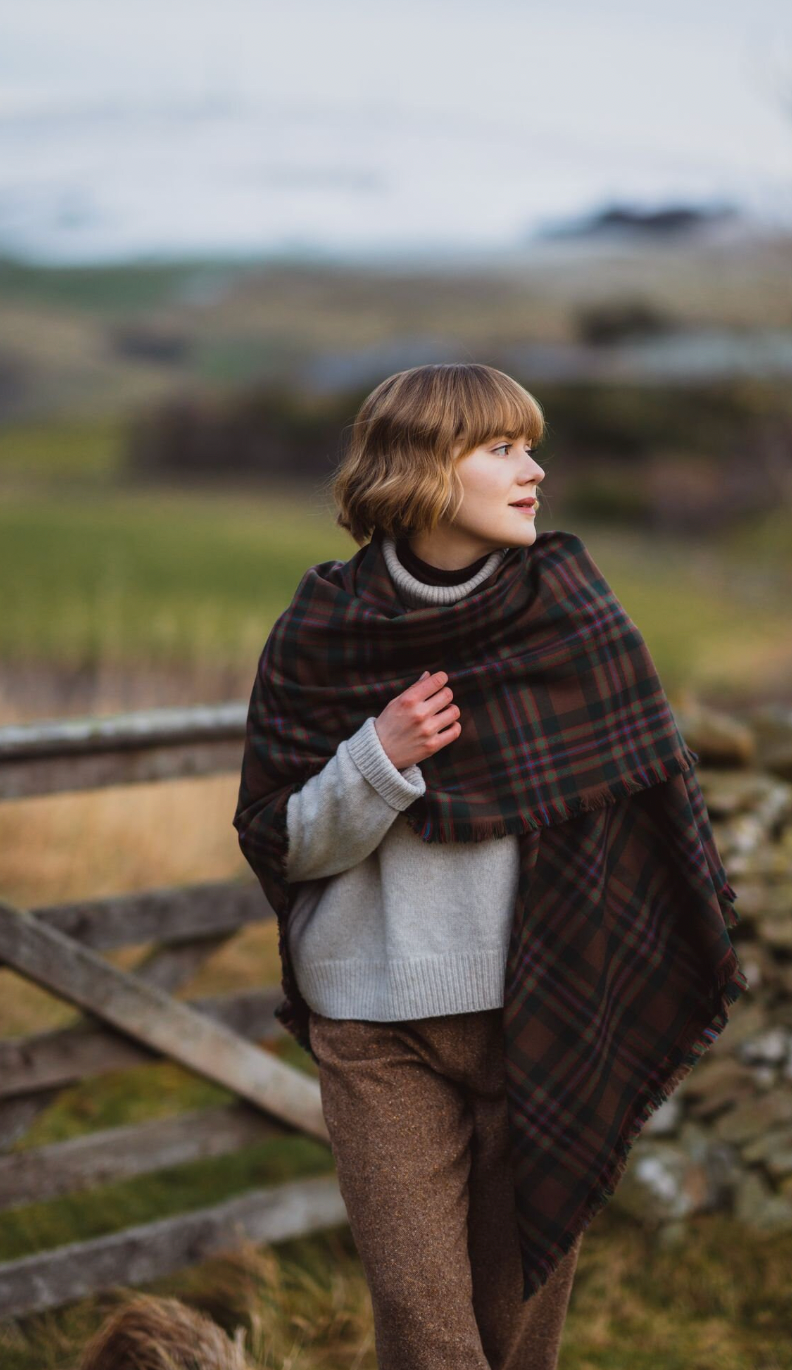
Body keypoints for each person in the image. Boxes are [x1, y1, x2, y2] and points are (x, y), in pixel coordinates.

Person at [233, 363, 748, 1370]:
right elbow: (282, 842)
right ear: (425, 467)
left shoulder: (572, 612)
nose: (535, 470)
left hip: (544, 1013)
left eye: (530, 445)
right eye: (503, 448)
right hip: (375, 1023)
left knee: (518, 1343)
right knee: (430, 1337)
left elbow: (641, 812)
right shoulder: (320, 629)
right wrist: (377, 759)